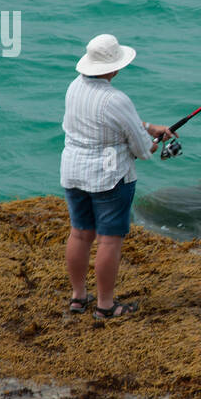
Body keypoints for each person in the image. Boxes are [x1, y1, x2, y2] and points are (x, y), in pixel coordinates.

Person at [60, 33, 176, 320]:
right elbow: (141, 149)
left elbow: (105, 123)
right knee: (109, 241)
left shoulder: (74, 87)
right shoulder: (116, 98)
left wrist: (148, 126)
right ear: (113, 67)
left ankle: (78, 297)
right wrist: (151, 142)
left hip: (73, 171)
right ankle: (105, 305)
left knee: (79, 233)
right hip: (109, 178)